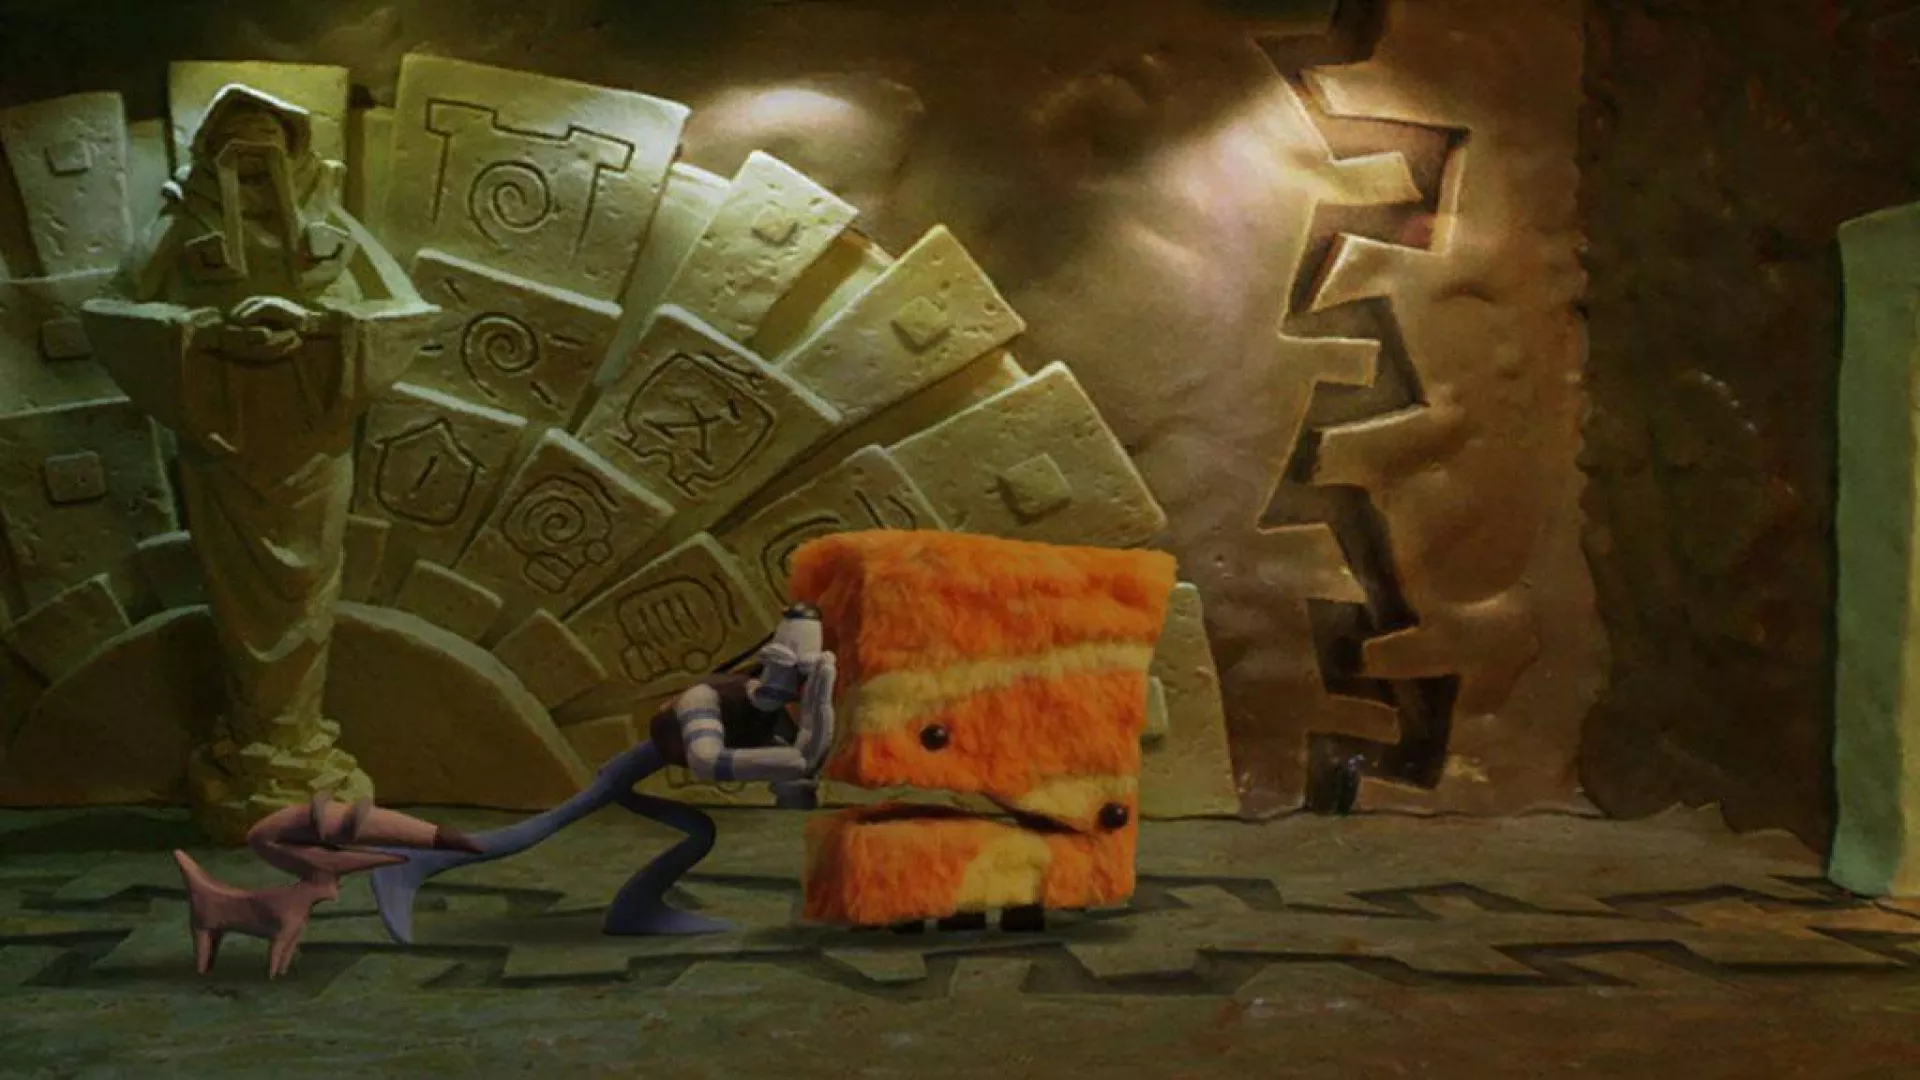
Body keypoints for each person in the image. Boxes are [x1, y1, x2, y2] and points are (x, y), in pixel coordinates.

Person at [370, 603, 836, 940]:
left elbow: (795, 789)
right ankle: (406, 863)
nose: (786, 685)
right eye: (784, 670)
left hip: (639, 782)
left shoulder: (776, 719)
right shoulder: (708, 698)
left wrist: (818, 715)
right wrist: (802, 747)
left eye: (800, 678)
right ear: (768, 661)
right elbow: (707, 760)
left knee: (700, 833)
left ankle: (635, 912)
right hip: (622, 777)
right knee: (531, 832)